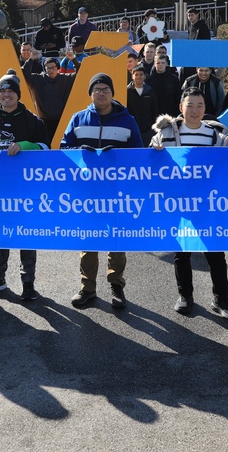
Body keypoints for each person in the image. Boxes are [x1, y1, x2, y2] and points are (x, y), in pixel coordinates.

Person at [151, 87, 228, 320]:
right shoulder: (167, 133)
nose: (195, 110)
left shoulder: (215, 135)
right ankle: (185, 296)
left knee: (215, 253)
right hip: (178, 202)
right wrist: (154, 150)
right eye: (189, 105)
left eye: (199, 106)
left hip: (207, 204)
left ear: (205, 109)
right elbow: (149, 158)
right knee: (182, 252)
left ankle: (221, 299)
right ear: (181, 107)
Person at [61, 73, 144, 309]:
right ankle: (87, 288)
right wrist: (80, 152)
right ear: (90, 93)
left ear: (112, 93)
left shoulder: (128, 121)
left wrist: (118, 159)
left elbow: (137, 154)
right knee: (88, 242)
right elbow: (64, 149)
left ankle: (116, 286)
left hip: (116, 192)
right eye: (96, 89)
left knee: (116, 242)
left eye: (106, 89)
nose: (101, 93)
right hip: (87, 192)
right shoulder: (78, 119)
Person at [0, 70, 51, 301]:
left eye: (10, 91)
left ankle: (28, 282)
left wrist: (25, 145)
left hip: (25, 189)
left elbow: (46, 148)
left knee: (26, 234)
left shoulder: (32, 120)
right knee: (0, 232)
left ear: (17, 94)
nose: (6, 95)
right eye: (2, 91)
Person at [25, 56, 76, 137]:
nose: (51, 70)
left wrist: (73, 59)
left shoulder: (66, 79)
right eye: (48, 68)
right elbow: (24, 73)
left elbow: (81, 73)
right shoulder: (37, 79)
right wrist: (31, 59)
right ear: (45, 69)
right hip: (44, 121)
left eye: (53, 67)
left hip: (62, 120)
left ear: (58, 67)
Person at [127, 66, 159, 146]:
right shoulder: (127, 91)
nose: (139, 77)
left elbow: (155, 110)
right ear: (132, 76)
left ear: (145, 76)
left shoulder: (150, 91)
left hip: (147, 130)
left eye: (141, 74)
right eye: (136, 74)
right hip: (132, 129)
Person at [147, 51, 181, 116]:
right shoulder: (149, 80)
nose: (160, 65)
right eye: (158, 63)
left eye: (163, 63)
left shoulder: (174, 79)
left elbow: (178, 98)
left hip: (171, 114)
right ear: (154, 64)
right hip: (154, 115)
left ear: (166, 64)